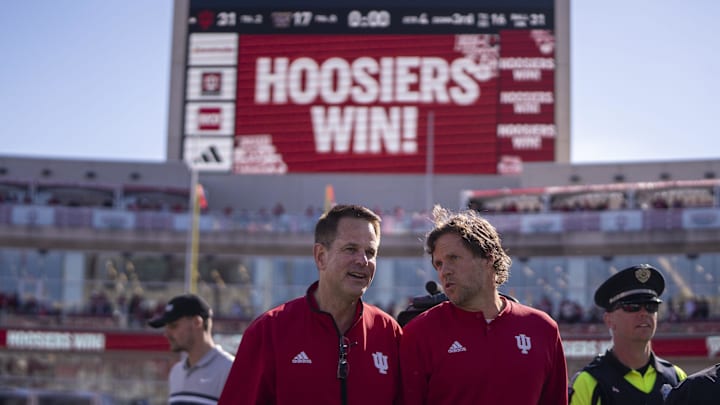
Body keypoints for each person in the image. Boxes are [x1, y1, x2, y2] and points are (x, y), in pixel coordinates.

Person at [218, 204, 402, 404]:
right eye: (351, 249)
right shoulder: (268, 332)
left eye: (370, 252)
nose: (363, 260)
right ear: (320, 256)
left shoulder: (388, 333)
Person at [400, 205, 568, 404]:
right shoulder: (418, 334)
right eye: (439, 264)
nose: (444, 271)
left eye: (453, 258)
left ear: (488, 258)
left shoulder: (543, 329)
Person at [569, 264, 687, 404]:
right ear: (609, 319)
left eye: (651, 306)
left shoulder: (677, 378)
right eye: (633, 307)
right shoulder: (589, 383)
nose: (644, 313)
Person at [148, 293, 234, 404]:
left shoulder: (230, 370)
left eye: (173, 326)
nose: (166, 334)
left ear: (197, 322)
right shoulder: (176, 372)